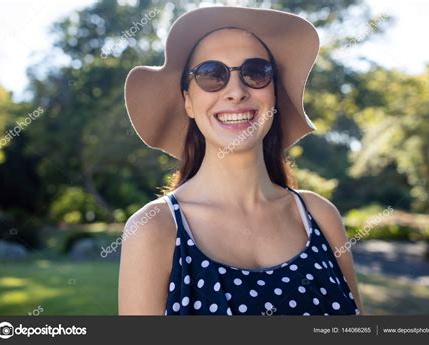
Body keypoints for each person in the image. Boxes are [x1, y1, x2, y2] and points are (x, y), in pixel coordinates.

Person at [119, 6, 363, 315]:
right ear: (188, 102)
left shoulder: (320, 216)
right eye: (211, 74)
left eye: (256, 72)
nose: (236, 91)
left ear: (274, 92)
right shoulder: (153, 229)